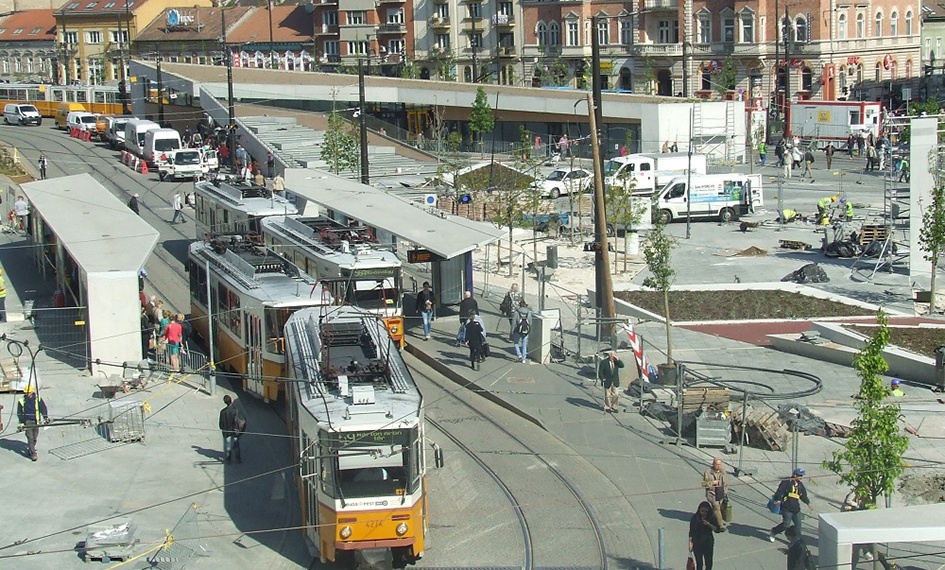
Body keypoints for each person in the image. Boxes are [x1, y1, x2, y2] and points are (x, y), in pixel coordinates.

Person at [769, 468, 813, 542]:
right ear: (795, 475)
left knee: (798, 525)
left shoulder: (800, 485)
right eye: (799, 475)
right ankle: (774, 531)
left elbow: (803, 495)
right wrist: (779, 499)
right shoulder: (787, 482)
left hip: (796, 509)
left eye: (802, 476)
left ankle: (797, 541)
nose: (801, 477)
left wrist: (808, 503)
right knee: (786, 525)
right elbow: (779, 491)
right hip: (787, 508)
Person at [17, 384, 48, 461]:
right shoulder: (21, 401)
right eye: (26, 393)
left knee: (35, 436)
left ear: (32, 392)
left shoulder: (37, 399)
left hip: (36, 420)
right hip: (27, 421)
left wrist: (45, 417)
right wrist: (22, 422)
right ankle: (33, 453)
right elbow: (19, 412)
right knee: (30, 437)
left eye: (28, 393)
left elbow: (43, 408)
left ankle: (31, 448)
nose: (27, 394)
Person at [689, 501, 720, 570]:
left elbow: (717, 530)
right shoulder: (695, 518)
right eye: (702, 511)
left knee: (708, 563)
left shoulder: (711, 517)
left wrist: (709, 524)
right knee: (699, 563)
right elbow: (691, 532)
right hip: (697, 543)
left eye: (706, 511)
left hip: (708, 543)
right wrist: (690, 543)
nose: (704, 513)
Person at [702, 457, 730, 531]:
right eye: (717, 464)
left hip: (721, 493)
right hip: (712, 494)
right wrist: (712, 483)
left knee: (719, 508)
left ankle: (712, 518)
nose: (718, 466)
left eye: (719, 464)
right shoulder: (708, 472)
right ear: (713, 464)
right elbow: (703, 484)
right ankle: (720, 525)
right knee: (716, 507)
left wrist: (726, 492)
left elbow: (727, 483)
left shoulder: (723, 472)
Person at [218, 395, 244, 464]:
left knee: (228, 445)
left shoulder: (223, 412)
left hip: (227, 431)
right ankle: (238, 459)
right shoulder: (235, 410)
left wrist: (222, 428)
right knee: (236, 444)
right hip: (235, 430)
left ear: (225, 402)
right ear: (231, 401)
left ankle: (229, 459)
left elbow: (221, 423)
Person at [512, 299, 532, 363]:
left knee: (516, 342)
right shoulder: (528, 312)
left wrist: (512, 331)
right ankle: (524, 358)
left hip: (518, 330)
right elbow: (530, 322)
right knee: (524, 344)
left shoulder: (516, 312)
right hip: (526, 330)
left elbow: (514, 323)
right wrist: (529, 330)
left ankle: (519, 355)